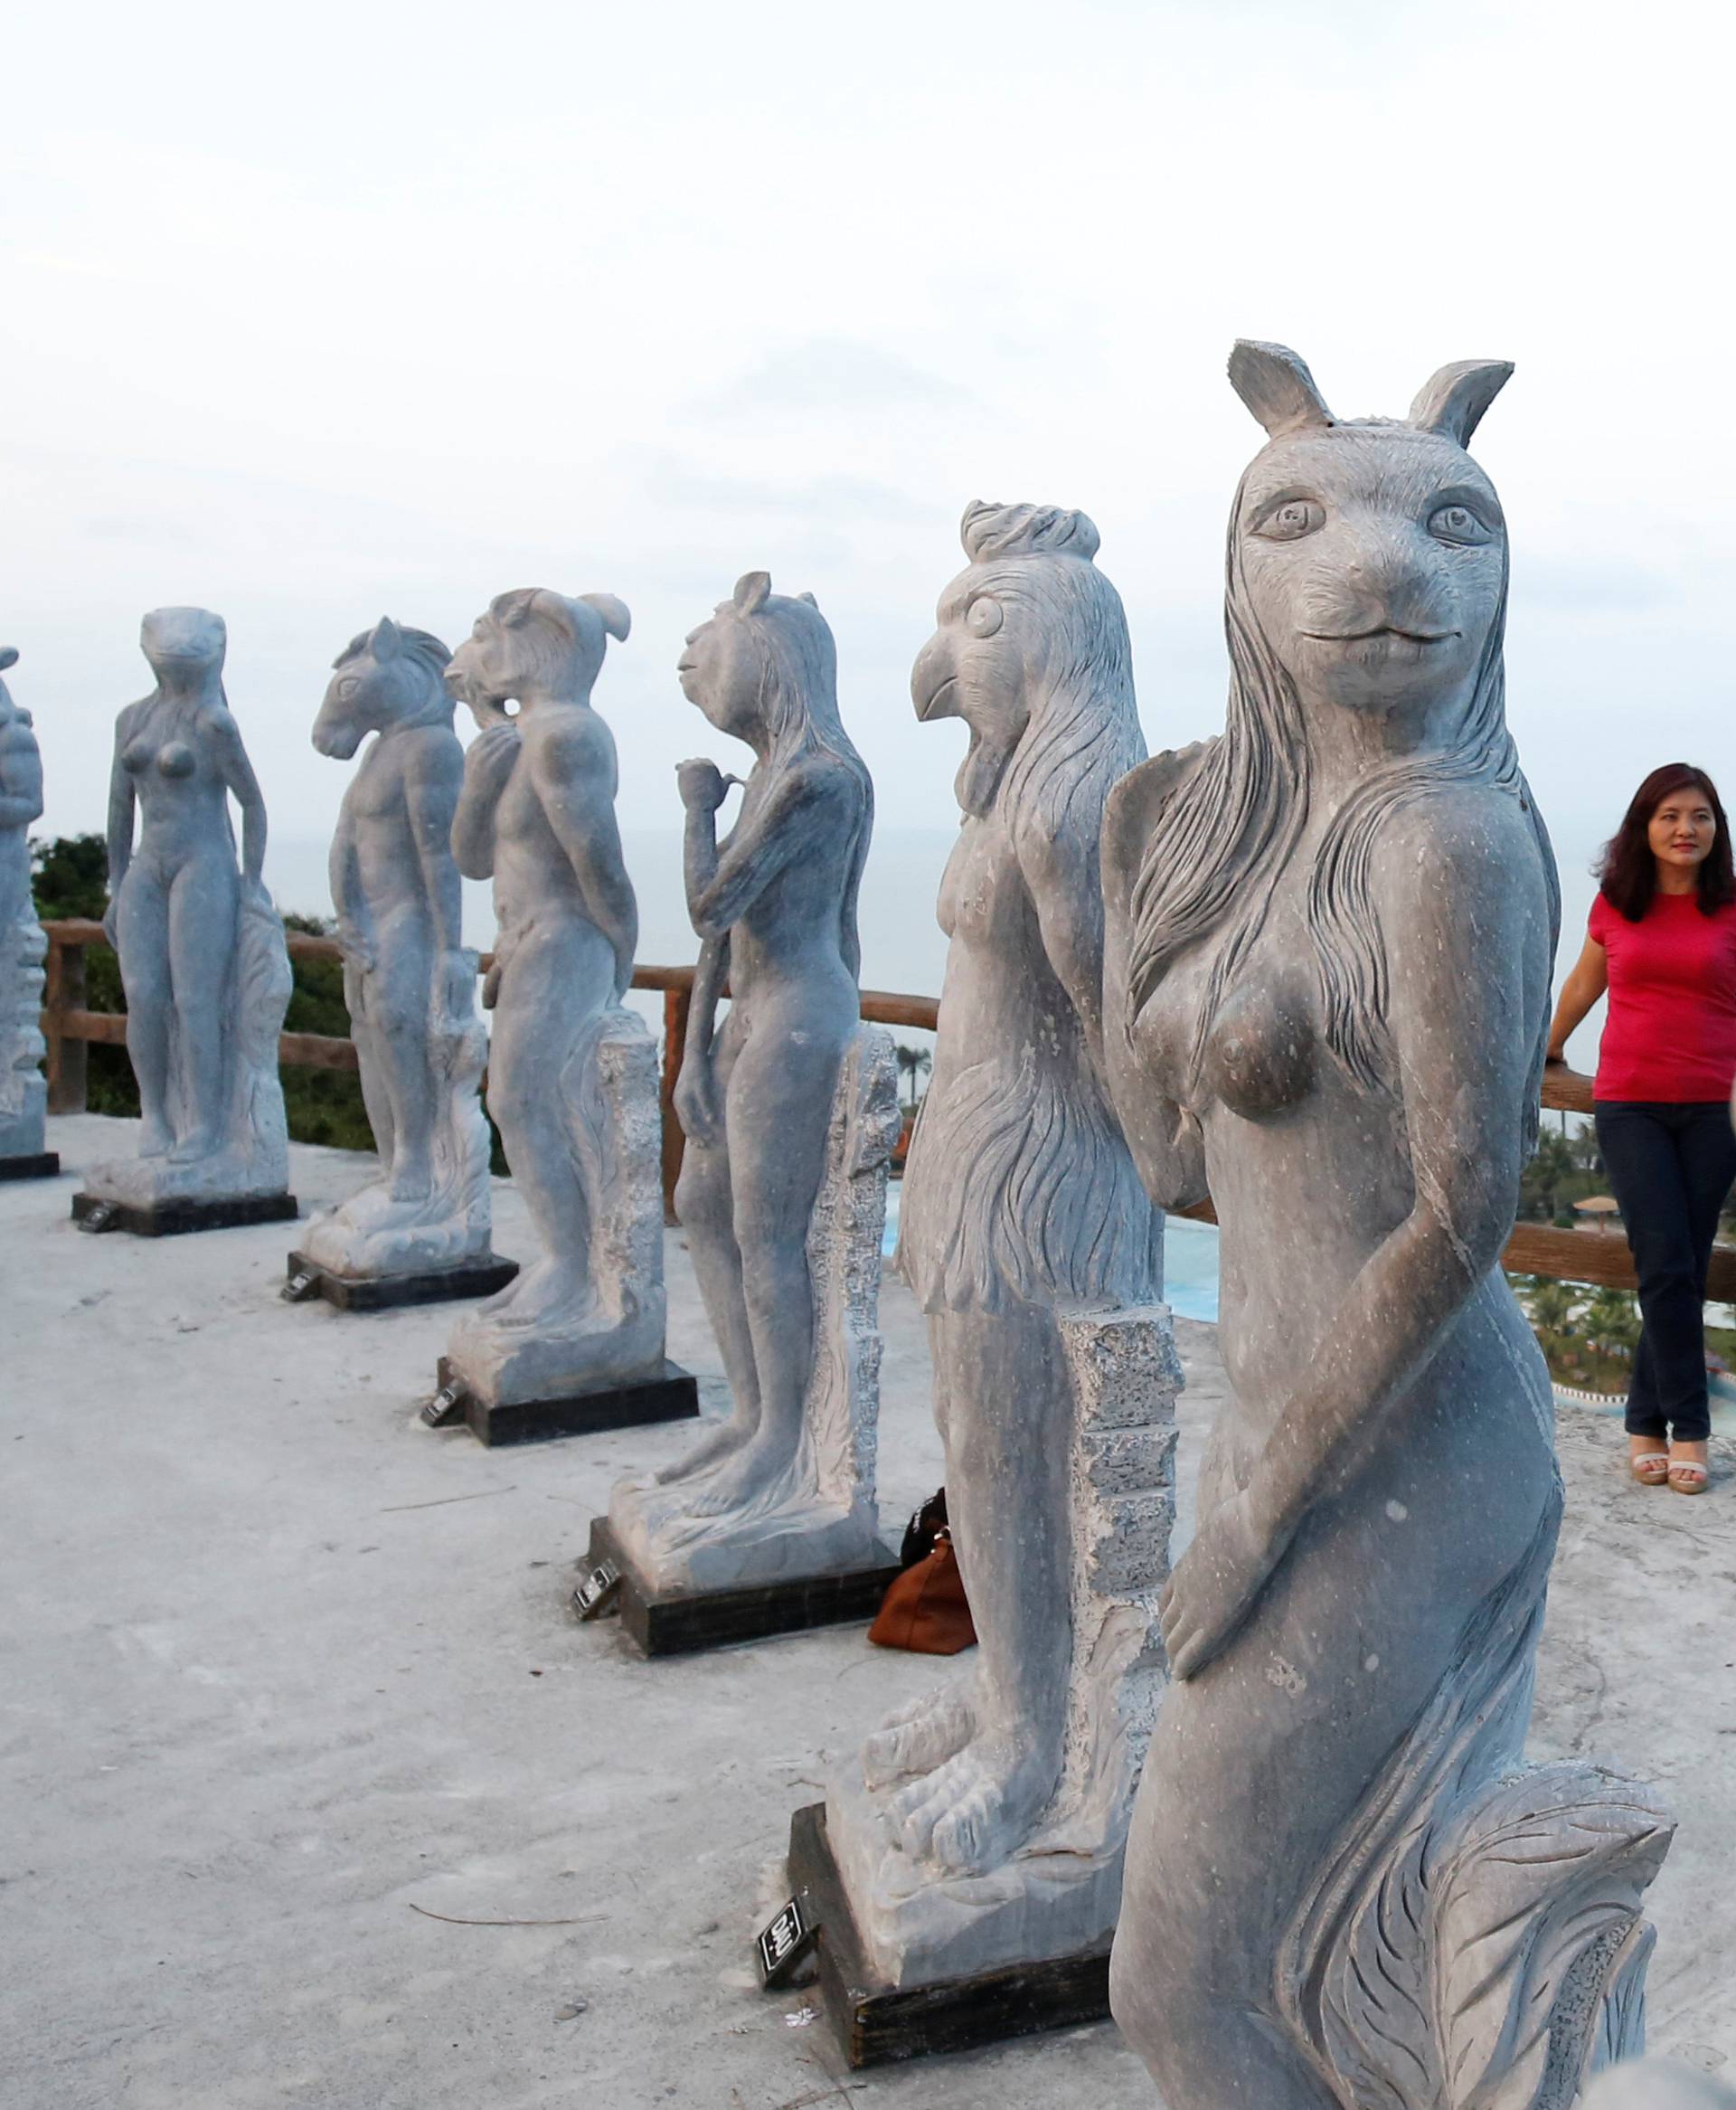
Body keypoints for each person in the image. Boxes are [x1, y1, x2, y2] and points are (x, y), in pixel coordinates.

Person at [1547, 762, 1736, 1493]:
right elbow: (1585, 985)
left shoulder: (1731, 908)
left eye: (1701, 816)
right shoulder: (1617, 903)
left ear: (1716, 830)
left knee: (1680, 1263)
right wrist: (1551, 1046)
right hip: (1631, 1105)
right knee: (1663, 1258)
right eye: (1670, 816)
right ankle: (1691, 1427)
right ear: (1644, 827)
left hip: (1715, 1114)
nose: (1686, 829)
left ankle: (1643, 1418)